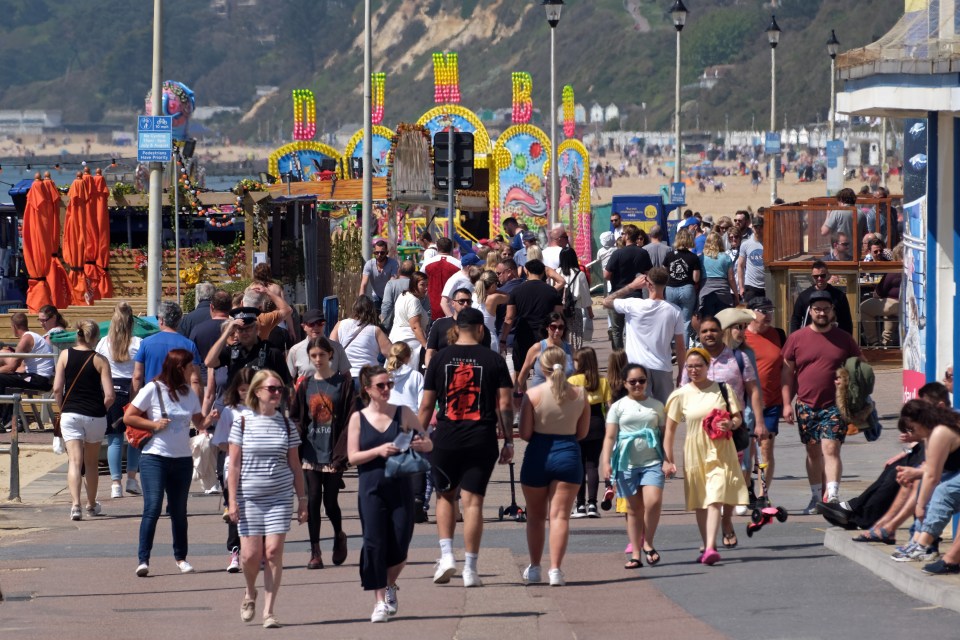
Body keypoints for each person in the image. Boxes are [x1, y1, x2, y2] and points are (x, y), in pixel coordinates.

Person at [418, 307, 514, 588]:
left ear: (456, 328)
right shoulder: (494, 360)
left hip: (446, 437)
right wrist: (508, 440)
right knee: (473, 503)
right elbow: (506, 405)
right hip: (480, 438)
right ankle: (471, 567)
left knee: (446, 497)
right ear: (481, 330)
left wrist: (418, 437)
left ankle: (447, 555)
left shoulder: (439, 359)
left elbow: (426, 405)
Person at [349, 365, 432, 622]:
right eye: (380, 386)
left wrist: (421, 443)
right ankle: (379, 602)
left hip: (400, 486)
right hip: (371, 487)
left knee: (400, 544)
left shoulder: (403, 413)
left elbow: (428, 441)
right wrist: (378, 451)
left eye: (389, 385)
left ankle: (389, 583)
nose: (386, 390)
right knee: (374, 542)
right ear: (368, 390)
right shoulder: (358, 418)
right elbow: (352, 457)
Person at [228, 369, 306, 629]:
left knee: (272, 552)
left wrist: (302, 500)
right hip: (248, 497)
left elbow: (295, 466)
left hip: (279, 497)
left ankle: (269, 612)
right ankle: (250, 592)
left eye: (279, 389)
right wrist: (232, 501)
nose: (276, 393)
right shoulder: (241, 421)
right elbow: (234, 466)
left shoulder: (286, 424)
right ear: (257, 391)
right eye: (271, 389)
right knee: (250, 555)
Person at [663, 349, 749, 566]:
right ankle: (706, 542)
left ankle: (710, 546)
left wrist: (730, 423)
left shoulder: (722, 389)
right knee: (701, 501)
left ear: (707, 366)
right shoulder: (680, 395)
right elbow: (670, 431)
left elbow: (737, 418)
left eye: (698, 366)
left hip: (721, 450)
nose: (693, 370)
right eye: (689, 366)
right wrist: (668, 459)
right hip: (695, 451)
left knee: (715, 495)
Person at [126, 349, 207, 577]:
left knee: (179, 511)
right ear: (180, 368)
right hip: (155, 457)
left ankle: (181, 558)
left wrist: (210, 419)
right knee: (152, 507)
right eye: (191, 366)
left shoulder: (189, 393)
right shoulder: (153, 389)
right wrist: (153, 425)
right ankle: (143, 559)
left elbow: (199, 420)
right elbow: (129, 416)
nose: (194, 370)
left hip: (182, 459)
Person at [782, 290, 863, 513]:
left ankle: (833, 494)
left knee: (831, 448)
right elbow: (787, 373)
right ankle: (816, 496)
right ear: (811, 311)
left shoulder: (844, 339)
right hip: (806, 404)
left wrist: (849, 381)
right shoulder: (796, 338)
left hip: (835, 404)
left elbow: (861, 367)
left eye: (826, 309)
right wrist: (787, 403)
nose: (821, 313)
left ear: (832, 311)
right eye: (817, 309)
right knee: (812, 451)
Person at [519, 346, 589, 586]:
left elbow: (526, 433)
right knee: (560, 516)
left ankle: (536, 566)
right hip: (568, 454)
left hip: (538, 453)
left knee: (535, 517)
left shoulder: (533, 394)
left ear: (541, 367)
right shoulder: (580, 394)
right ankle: (556, 570)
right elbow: (582, 433)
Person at [290, 337, 356, 571]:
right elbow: (296, 417)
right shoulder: (305, 385)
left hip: (334, 449)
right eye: (314, 355)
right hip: (310, 451)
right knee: (313, 500)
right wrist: (296, 436)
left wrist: (344, 449)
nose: (318, 359)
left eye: (322, 355)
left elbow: (351, 417)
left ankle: (339, 535)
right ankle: (315, 551)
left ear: (331, 355)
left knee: (330, 502)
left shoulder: (343, 383)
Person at [601, 363, 666, 568]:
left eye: (642, 380)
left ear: (647, 382)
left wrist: (669, 459)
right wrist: (606, 462)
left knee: (653, 502)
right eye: (633, 381)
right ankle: (636, 554)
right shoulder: (618, 407)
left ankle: (648, 542)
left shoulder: (656, 406)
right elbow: (610, 436)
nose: (638, 384)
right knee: (633, 509)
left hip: (652, 461)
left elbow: (665, 436)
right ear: (625, 383)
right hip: (626, 463)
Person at [885, 399, 960, 567]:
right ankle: (918, 541)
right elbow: (929, 471)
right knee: (928, 488)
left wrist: (920, 506)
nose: (911, 433)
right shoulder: (931, 434)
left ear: (921, 421)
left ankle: (924, 545)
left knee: (943, 491)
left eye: (912, 428)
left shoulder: (940, 432)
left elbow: (933, 475)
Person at [54, 320, 115, 520]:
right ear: (95, 337)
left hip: (71, 413)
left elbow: (56, 388)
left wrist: (62, 407)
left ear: (77, 334)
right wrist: (101, 409)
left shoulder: (64, 355)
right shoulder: (100, 360)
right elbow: (109, 395)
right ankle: (90, 504)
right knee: (91, 462)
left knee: (74, 461)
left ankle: (75, 505)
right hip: (95, 415)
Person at [603, 266, 685, 404]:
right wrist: (682, 372)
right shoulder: (675, 311)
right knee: (664, 413)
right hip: (663, 367)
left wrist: (631, 286)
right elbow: (680, 347)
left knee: (639, 410)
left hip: (637, 367)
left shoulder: (633, 305)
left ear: (648, 283)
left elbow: (606, 301)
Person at [211, 368, 257, 573]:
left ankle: (258, 551)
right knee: (234, 511)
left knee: (256, 512)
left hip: (258, 470)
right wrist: (236, 448)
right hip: (234, 468)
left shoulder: (265, 410)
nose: (246, 394)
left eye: (250, 389)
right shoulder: (230, 411)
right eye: (242, 390)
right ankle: (235, 552)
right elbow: (220, 441)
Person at [96, 302, 142, 498]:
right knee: (133, 438)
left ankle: (116, 483)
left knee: (114, 439)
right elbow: (139, 373)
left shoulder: (104, 343)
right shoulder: (138, 343)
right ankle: (131, 478)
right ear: (132, 321)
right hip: (132, 390)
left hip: (110, 391)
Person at [743, 297, 785, 502]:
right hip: (747, 404)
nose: (768, 315)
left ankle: (763, 494)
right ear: (751, 313)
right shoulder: (741, 337)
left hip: (772, 401)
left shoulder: (778, 334)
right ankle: (746, 489)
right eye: (763, 311)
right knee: (747, 450)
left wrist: (787, 400)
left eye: (771, 310)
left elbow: (786, 368)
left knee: (766, 448)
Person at [568, 347, 612, 518]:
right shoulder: (602, 381)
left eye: (576, 360)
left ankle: (580, 506)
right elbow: (609, 406)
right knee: (592, 464)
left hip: (578, 422)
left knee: (578, 465)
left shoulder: (573, 380)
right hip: (597, 423)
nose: (574, 362)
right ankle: (592, 504)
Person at [133, 301, 202, 404]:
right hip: (180, 401)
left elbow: (137, 376)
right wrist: (197, 408)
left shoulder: (146, 343)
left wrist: (134, 401)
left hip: (153, 401)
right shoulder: (189, 345)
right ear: (179, 321)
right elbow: (195, 379)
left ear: (161, 320)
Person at [501, 259, 563, 374]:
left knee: (520, 372)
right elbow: (558, 316)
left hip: (522, 334)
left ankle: (521, 392)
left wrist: (503, 339)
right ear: (543, 273)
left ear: (526, 271)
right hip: (545, 336)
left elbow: (509, 317)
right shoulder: (552, 292)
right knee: (547, 370)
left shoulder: (516, 291)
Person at [0, 312, 55, 431]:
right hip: (42, 378)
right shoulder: (33, 336)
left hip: (39, 380)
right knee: (7, 380)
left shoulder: (25, 340)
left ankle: (7, 419)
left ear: (14, 326)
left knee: (2, 378)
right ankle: (10, 419)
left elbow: (11, 368)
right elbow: (20, 368)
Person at [604, 225, 653, 350]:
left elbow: (607, 275)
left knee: (617, 330)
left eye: (622, 234)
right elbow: (649, 273)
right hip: (636, 295)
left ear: (626, 236)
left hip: (618, 294)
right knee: (635, 329)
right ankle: (635, 355)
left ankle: (619, 358)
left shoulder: (617, 253)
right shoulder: (643, 253)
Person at [329, 296, 392, 382]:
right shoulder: (375, 330)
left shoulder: (340, 325)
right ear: (372, 311)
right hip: (369, 377)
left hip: (347, 377)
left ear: (354, 309)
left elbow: (330, 348)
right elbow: (391, 354)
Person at [789, 260, 854, 335]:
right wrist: (794, 338)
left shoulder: (839, 295)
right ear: (812, 277)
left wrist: (847, 341)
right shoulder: (804, 296)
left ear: (828, 275)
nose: (819, 278)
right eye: (816, 276)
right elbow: (796, 319)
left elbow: (846, 321)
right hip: (810, 337)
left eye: (822, 275)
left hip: (833, 338)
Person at [517, 312, 575, 392]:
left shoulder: (570, 349)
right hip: (539, 398)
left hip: (564, 397)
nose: (557, 330)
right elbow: (523, 374)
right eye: (553, 327)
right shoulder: (537, 348)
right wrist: (517, 395)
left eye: (561, 327)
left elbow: (577, 375)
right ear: (547, 327)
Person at [286, 309, 351, 380]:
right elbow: (289, 379)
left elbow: (346, 375)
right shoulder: (295, 351)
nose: (316, 327)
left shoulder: (337, 348)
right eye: (311, 324)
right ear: (304, 326)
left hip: (331, 390)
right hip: (307, 390)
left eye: (320, 323)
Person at [663, 229, 701, 347]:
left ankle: (671, 348)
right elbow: (696, 278)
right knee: (685, 322)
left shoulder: (669, 255)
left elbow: (664, 273)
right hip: (687, 289)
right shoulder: (694, 257)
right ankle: (683, 350)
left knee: (671, 320)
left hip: (671, 289)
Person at [860, 246, 902, 347]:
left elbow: (879, 292)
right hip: (903, 304)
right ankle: (887, 343)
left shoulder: (894, 271)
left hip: (896, 303)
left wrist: (876, 294)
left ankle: (873, 341)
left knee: (864, 307)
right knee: (889, 313)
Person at [388, 271, 430, 368]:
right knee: (407, 374)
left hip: (397, 339)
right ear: (414, 284)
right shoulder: (413, 301)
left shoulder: (403, 295)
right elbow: (415, 327)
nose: (426, 288)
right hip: (409, 344)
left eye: (427, 285)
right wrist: (426, 346)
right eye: (422, 285)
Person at [557, 247, 593, 350]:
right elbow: (586, 296)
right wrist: (590, 312)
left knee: (561, 335)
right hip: (575, 310)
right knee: (575, 336)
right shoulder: (580, 274)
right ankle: (574, 359)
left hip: (559, 310)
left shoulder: (556, 273)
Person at [698, 232, 738, 319]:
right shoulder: (726, 257)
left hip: (706, 293)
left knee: (708, 322)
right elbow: (731, 278)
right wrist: (736, 295)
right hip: (723, 293)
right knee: (723, 323)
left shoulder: (701, 258)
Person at [424, 237, 461, 321]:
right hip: (451, 308)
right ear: (451, 248)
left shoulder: (428, 263)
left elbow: (419, 277)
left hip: (431, 306)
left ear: (437, 247)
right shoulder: (458, 264)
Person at [359, 239, 400, 314]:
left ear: (386, 253)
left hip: (390, 295)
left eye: (382, 253)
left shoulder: (393, 264)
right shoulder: (369, 264)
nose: (379, 255)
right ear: (374, 253)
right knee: (375, 316)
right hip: (376, 296)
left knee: (388, 320)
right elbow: (363, 284)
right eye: (376, 253)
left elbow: (392, 281)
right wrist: (361, 300)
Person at [380, 259, 416, 333]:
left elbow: (387, 304)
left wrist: (384, 321)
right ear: (413, 273)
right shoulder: (416, 285)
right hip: (412, 325)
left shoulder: (391, 284)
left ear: (399, 270)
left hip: (394, 326)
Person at [737, 215, 766, 304]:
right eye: (756, 227)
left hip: (767, 285)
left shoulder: (769, 243)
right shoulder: (746, 244)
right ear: (752, 227)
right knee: (750, 314)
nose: (758, 229)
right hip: (751, 285)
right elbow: (740, 266)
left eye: (760, 226)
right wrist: (741, 287)